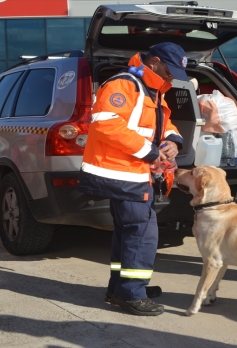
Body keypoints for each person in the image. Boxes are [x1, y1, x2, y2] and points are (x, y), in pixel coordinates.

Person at [76, 42, 186, 316]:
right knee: (142, 233)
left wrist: (174, 141)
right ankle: (133, 293)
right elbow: (106, 124)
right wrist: (150, 152)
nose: (171, 77)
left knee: (128, 232)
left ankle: (121, 288)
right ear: (155, 62)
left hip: (133, 171)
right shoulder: (126, 84)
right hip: (123, 172)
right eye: (169, 71)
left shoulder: (151, 88)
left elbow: (162, 125)